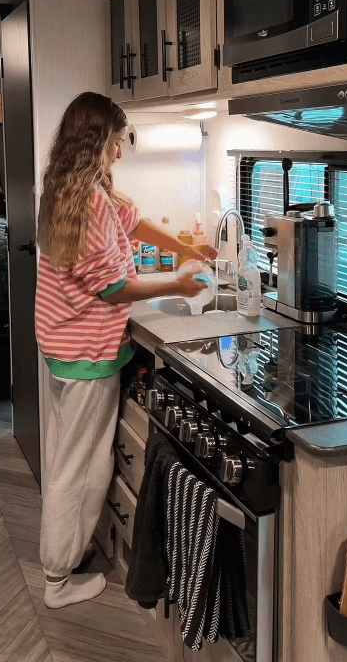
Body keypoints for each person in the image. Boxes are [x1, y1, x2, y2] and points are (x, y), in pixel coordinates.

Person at [35, 91, 217, 608]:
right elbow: (113, 289)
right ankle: (57, 579)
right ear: (97, 143)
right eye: (117, 143)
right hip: (87, 355)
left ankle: (60, 558)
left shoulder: (70, 187)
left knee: (66, 458)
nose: (121, 153)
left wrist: (185, 248)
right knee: (82, 469)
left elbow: (132, 222)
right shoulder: (89, 200)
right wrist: (175, 285)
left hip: (64, 348)